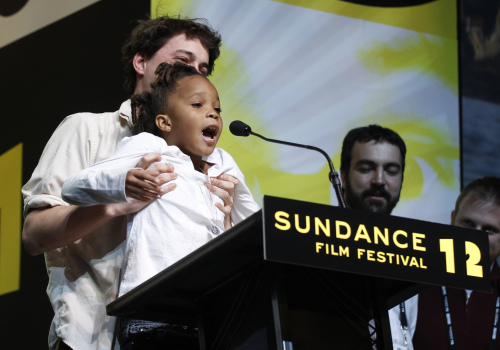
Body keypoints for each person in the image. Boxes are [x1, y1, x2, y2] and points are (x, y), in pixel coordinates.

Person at [20, 16, 239, 350]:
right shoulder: (87, 130)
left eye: (204, 69)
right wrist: (114, 204)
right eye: (183, 60)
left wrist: (224, 220)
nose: (195, 72)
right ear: (141, 62)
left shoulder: (207, 161)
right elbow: (34, 236)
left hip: (183, 335)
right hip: (91, 338)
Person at [61, 62, 260, 349]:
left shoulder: (223, 162)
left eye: (217, 108)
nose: (213, 113)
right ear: (165, 122)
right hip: (153, 314)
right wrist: (124, 182)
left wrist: (229, 218)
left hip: (210, 316)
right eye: (197, 104)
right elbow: (73, 188)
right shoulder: (150, 148)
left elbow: (254, 224)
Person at [340, 124, 416, 349]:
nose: (379, 181)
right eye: (366, 168)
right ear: (343, 176)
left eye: (391, 171)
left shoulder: (412, 252)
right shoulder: (313, 245)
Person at [411, 176, 500, 350]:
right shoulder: (413, 285)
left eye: (489, 230)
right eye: (468, 223)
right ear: (452, 219)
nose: (475, 237)